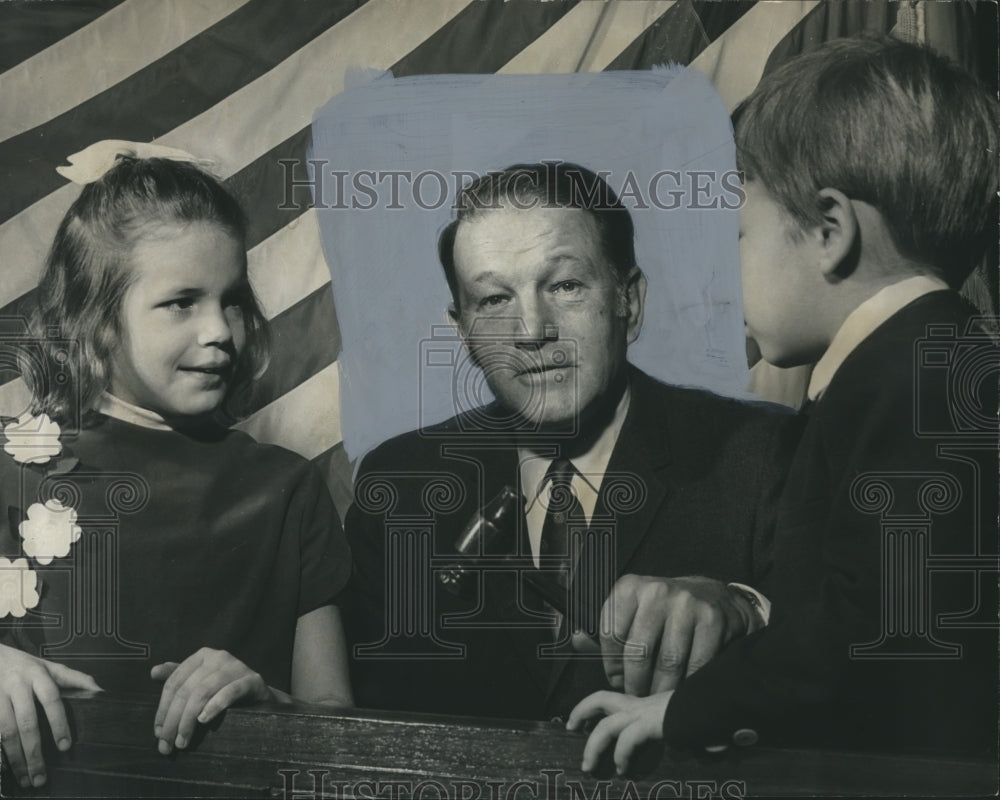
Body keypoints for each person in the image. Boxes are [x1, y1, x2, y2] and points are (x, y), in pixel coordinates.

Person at [569, 36, 1000, 770]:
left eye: (739, 234)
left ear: (830, 233)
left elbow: (878, 627)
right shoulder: (921, 369)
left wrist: (688, 708)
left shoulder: (920, 383)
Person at [344, 162, 802, 720]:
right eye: (493, 301)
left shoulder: (761, 454)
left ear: (627, 302)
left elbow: (844, 678)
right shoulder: (398, 485)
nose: (532, 331)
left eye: (564, 286)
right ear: (462, 330)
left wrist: (745, 609)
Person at [0, 148, 353, 789]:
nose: (220, 328)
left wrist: (270, 706)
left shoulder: (288, 490)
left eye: (233, 300)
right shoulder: (9, 471)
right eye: (182, 302)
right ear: (96, 320)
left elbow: (336, 727)